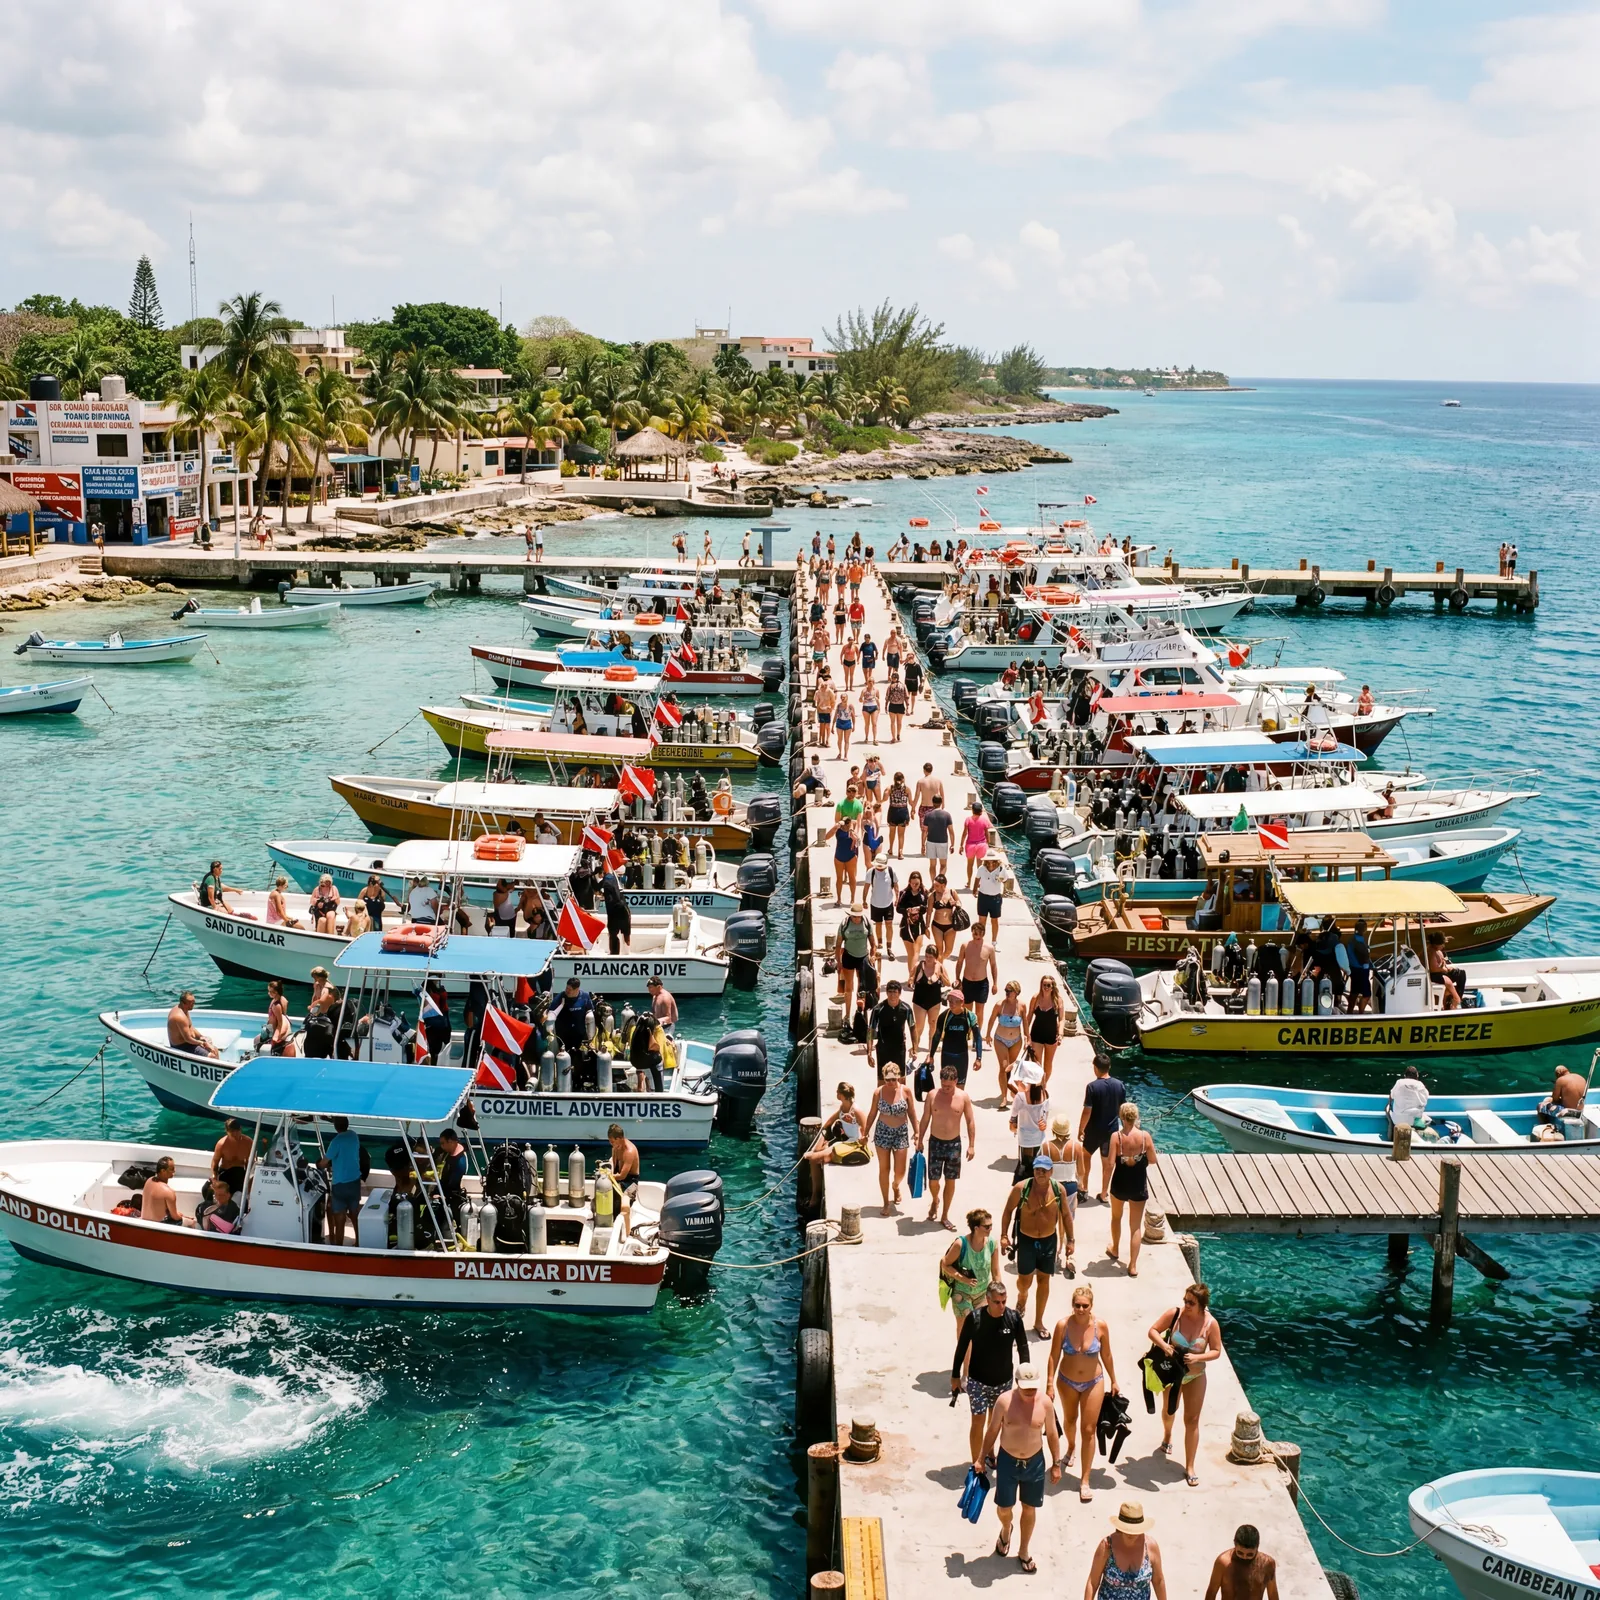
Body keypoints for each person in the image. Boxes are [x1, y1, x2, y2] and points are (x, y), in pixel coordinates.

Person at [979, 1363, 1062, 1575]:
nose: (1030, 1391)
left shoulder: (1045, 1404)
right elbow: (992, 1431)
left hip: (1034, 1463)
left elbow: (1052, 1434)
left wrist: (1056, 1464)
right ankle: (1006, 1529)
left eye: (1033, 1386)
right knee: (1004, 1508)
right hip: (1008, 1461)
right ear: (1017, 1383)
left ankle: (1024, 1550)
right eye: (1026, 1387)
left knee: (1029, 1508)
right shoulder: (1004, 1402)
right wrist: (981, 1458)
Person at [1048, 1283, 1118, 1502]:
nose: (1080, 1309)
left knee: (1088, 1429)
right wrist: (1049, 1383)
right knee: (1070, 1420)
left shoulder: (1101, 1327)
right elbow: (1053, 1356)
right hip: (1066, 1381)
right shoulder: (1063, 1326)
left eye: (1084, 1306)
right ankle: (1070, 1446)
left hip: (1093, 1382)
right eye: (1077, 1305)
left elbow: (1106, 1355)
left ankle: (1085, 1479)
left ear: (1091, 1306)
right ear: (1072, 1305)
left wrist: (1114, 1380)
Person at [1149, 1283, 1222, 1486]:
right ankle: (1167, 1434)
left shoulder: (1211, 1324)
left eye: (1191, 1302)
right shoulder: (1175, 1314)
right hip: (1173, 1374)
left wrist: (1199, 1357)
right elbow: (1153, 1330)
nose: (1186, 1305)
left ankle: (1190, 1465)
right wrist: (1164, 1345)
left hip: (1195, 1376)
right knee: (1169, 1411)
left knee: (1192, 1419)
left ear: (1202, 1305)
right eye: (1185, 1300)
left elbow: (1216, 1351)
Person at [952, 1278, 1029, 1467]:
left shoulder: (1013, 1318)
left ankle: (991, 1453)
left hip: (1003, 1382)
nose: (1001, 1306)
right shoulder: (975, 1319)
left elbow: (1023, 1347)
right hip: (978, 1381)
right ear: (987, 1300)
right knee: (978, 1421)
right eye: (997, 1302)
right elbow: (962, 1347)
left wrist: (1026, 1377)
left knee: (996, 1422)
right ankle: (976, 1461)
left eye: (1004, 1301)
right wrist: (955, 1375)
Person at [1002, 1150, 1074, 1339]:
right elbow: (1008, 1211)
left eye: (1044, 1170)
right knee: (1024, 1282)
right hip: (1026, 1240)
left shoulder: (1059, 1190)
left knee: (1044, 1280)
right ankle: (1022, 1296)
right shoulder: (1021, 1188)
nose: (1040, 1173)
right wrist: (1003, 1236)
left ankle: (1038, 1321)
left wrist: (1071, 1241)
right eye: (1037, 1170)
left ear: (1051, 1172)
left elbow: (1066, 1215)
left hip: (1049, 1241)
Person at [916, 1062, 976, 1228]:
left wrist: (971, 1145)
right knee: (933, 1181)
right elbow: (925, 1118)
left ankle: (944, 1215)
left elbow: (970, 1121)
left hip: (954, 1144)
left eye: (949, 1086)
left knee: (951, 1180)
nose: (946, 1088)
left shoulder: (963, 1097)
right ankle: (935, 1200)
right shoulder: (933, 1095)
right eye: (943, 1085)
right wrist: (920, 1139)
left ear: (956, 1081)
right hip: (935, 1142)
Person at [1107, 1103, 1157, 1276]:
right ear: (1136, 1117)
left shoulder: (1116, 1137)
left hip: (1120, 1182)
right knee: (1135, 1227)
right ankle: (1133, 1265)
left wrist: (1125, 1158)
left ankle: (1114, 1249)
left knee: (1116, 1217)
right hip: (1138, 1184)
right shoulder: (1145, 1137)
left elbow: (1111, 1162)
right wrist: (1136, 1158)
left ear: (1122, 1117)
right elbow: (1152, 1160)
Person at [860, 1062, 914, 1214]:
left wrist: (917, 1133)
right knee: (884, 1169)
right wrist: (866, 1132)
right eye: (887, 1079)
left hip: (901, 1132)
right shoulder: (879, 1093)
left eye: (893, 1079)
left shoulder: (906, 1091)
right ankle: (885, 1202)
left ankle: (895, 1186)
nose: (890, 1083)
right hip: (883, 1132)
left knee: (900, 1170)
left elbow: (912, 1113)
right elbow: (872, 1113)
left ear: (899, 1077)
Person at [1086, 1503, 1168, 1600]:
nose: (1131, 1533)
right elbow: (1093, 1582)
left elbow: (1158, 1581)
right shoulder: (1107, 1546)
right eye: (1127, 1529)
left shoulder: (1151, 1546)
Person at [1079, 1054, 1127, 1203]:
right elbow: (1122, 1109)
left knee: (1085, 1156)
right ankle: (1104, 1193)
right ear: (1109, 1067)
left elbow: (1087, 1111)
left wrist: (1081, 1129)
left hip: (1093, 1130)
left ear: (1095, 1068)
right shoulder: (1120, 1085)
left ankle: (1084, 1189)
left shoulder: (1092, 1087)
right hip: (1111, 1132)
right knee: (1107, 1163)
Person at [319, 1114, 363, 1245]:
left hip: (340, 1184)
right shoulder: (354, 1136)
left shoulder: (335, 1142)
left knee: (340, 1218)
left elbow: (324, 1163)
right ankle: (359, 1242)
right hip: (354, 1181)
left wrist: (318, 1164)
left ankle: (339, 1247)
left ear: (335, 1126)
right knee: (354, 1214)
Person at [1205, 1525, 1279, 1600]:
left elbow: (1273, 1594)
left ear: (1257, 1547)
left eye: (1250, 1555)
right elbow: (1212, 1592)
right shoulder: (1223, 1562)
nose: (1244, 1557)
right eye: (1240, 1553)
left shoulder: (1267, 1564)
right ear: (1235, 1545)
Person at [927, 986, 980, 1088]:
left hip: (962, 1056)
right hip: (947, 1055)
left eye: (955, 1001)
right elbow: (937, 1036)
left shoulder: (969, 1016)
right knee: (946, 1086)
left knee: (960, 1088)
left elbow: (977, 1037)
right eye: (950, 1001)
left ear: (962, 1002)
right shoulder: (944, 1016)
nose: (952, 1003)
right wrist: (931, 1055)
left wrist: (978, 1058)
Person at [986, 980, 1027, 1106]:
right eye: (1006, 990)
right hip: (1000, 1040)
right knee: (1004, 1067)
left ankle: (1008, 1089)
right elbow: (992, 1020)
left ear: (1016, 992)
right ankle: (1004, 1097)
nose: (1007, 993)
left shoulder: (1021, 1006)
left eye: (1010, 991)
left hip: (1016, 1041)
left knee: (1010, 1068)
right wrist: (988, 1035)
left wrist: (1027, 1038)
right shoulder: (1000, 1005)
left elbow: (1025, 1022)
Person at [1009, 1061, 1050, 1179]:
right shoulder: (1045, 1095)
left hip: (1025, 1141)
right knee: (1037, 1170)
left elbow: (1012, 1124)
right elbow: (1044, 1119)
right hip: (1039, 1139)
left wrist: (1014, 1126)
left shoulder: (1020, 1098)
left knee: (1023, 1171)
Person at [867, 978, 913, 1080]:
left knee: (900, 1079)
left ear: (899, 993)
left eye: (895, 992)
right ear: (886, 993)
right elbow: (871, 1030)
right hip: (883, 1048)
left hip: (899, 1048)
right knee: (882, 1079)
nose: (892, 995)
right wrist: (869, 1052)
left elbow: (913, 1028)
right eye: (890, 992)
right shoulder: (878, 1009)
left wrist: (915, 1047)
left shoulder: (906, 1009)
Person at [956, 922, 998, 1032]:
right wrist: (957, 978)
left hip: (981, 983)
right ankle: (968, 1032)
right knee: (967, 1010)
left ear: (983, 934)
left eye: (980, 934)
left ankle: (977, 1034)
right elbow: (960, 962)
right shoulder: (965, 946)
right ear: (972, 933)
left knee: (979, 1011)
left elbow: (993, 965)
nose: (977, 937)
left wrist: (995, 983)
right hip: (967, 982)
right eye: (975, 934)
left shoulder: (989, 948)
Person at [1024, 972, 1064, 1086]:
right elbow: (1029, 1016)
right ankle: (1037, 1085)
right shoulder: (1035, 998)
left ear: (1052, 987)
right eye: (1044, 985)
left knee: (1048, 1063)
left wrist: (1060, 1034)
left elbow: (1062, 1019)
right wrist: (1027, 1035)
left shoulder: (1058, 1000)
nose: (1046, 987)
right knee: (1036, 1063)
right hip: (1036, 1033)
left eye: (1048, 985)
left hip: (1051, 1034)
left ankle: (1043, 1085)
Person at [909, 944, 949, 1053]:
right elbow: (911, 978)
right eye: (926, 956)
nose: (928, 959)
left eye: (930, 957)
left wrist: (940, 975)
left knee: (933, 1025)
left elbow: (948, 983)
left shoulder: (940, 967)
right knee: (919, 1026)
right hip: (919, 1001)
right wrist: (911, 981)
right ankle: (915, 1047)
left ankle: (931, 1047)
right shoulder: (919, 966)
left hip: (934, 1001)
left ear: (935, 957)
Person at [834, 907, 872, 1020]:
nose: (856, 918)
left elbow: (872, 942)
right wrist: (838, 961)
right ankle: (847, 1014)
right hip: (848, 956)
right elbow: (838, 944)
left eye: (858, 916)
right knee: (848, 987)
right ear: (850, 915)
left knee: (861, 987)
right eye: (854, 916)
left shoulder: (866, 922)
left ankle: (860, 1012)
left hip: (863, 957)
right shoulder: (844, 923)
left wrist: (873, 955)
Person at [824, 807, 862, 910]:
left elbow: (858, 841)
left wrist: (853, 834)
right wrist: (835, 827)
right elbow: (826, 837)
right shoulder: (838, 829)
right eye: (845, 822)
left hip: (850, 856)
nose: (847, 824)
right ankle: (839, 899)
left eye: (848, 822)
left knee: (852, 877)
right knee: (839, 878)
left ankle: (852, 899)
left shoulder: (852, 828)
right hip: (839, 856)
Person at [548, 977, 596, 1057]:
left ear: (577, 989)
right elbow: (551, 1012)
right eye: (567, 988)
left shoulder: (585, 996)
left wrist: (590, 1038)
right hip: (563, 1035)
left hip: (579, 1035)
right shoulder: (561, 997)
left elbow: (590, 1011)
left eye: (570, 989)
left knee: (578, 1058)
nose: (567, 991)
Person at [863, 850, 898, 956]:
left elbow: (896, 885)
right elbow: (866, 887)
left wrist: (897, 898)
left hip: (888, 903)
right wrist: (864, 900)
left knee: (889, 924)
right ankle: (880, 941)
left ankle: (889, 945)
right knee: (878, 924)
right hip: (875, 903)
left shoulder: (891, 871)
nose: (879, 868)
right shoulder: (871, 872)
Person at [168, 992, 219, 1058]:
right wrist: (202, 1043)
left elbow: (190, 1026)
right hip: (182, 1046)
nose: (193, 1005)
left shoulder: (185, 1009)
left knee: (215, 1049)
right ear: (183, 1003)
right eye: (190, 1003)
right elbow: (187, 1039)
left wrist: (201, 1037)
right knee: (212, 1056)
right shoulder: (179, 1017)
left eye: (193, 1002)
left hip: (189, 1042)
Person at [141, 1156, 189, 1226]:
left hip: (143, 1222)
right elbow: (175, 1217)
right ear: (163, 1171)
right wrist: (182, 1216)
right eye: (172, 1169)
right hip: (159, 1226)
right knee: (191, 1222)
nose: (174, 1171)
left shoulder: (148, 1180)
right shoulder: (168, 1192)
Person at [212, 1118, 253, 1195]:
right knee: (210, 1190)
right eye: (232, 1132)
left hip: (240, 1173)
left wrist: (248, 1178)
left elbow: (250, 1162)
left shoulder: (248, 1142)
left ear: (240, 1129)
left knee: (242, 1193)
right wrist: (214, 1176)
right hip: (225, 1172)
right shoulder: (222, 1144)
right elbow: (215, 1161)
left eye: (237, 1131)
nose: (235, 1135)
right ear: (227, 1131)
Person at [973, 847, 1006, 940]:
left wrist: (1001, 879)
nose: (991, 862)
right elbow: (977, 878)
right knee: (981, 920)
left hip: (996, 898)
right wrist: (974, 889)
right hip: (983, 896)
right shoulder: (981, 868)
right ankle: (980, 939)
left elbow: (1005, 879)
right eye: (989, 860)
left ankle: (994, 941)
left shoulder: (1001, 869)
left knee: (994, 920)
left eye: (993, 860)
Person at [961, 799, 993, 891]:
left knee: (969, 865)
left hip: (970, 845)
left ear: (972, 810)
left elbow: (964, 833)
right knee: (980, 866)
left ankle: (969, 882)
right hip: (982, 845)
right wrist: (989, 844)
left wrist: (961, 845)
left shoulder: (968, 820)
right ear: (981, 811)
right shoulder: (984, 820)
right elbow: (987, 833)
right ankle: (979, 882)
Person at [1387, 1064, 1429, 1135]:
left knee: (1387, 1108)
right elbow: (1425, 1100)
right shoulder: (1421, 1085)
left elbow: (1391, 1096)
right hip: (1414, 1121)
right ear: (1417, 1076)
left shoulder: (1399, 1082)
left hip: (1398, 1121)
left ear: (1405, 1076)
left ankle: (1391, 1130)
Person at [601, 860, 632, 954]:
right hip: (624, 909)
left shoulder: (607, 882)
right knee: (626, 934)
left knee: (613, 934)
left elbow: (610, 900)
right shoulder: (613, 879)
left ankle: (614, 954)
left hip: (615, 912)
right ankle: (627, 953)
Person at [928, 872, 960, 961]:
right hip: (937, 925)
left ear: (943, 885)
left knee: (949, 950)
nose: (934, 887)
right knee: (939, 949)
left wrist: (955, 903)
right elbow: (929, 912)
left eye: (937, 885)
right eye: (934, 885)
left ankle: (938, 962)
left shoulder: (952, 892)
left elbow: (960, 903)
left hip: (950, 927)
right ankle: (939, 968)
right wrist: (926, 926)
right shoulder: (932, 895)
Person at [435, 1128, 468, 1211]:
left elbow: (452, 1184)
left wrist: (438, 1195)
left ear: (450, 1142)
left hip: (450, 1197)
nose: (441, 1146)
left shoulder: (460, 1162)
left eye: (443, 1143)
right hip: (439, 1188)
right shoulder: (445, 1152)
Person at [922, 789, 953, 871]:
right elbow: (951, 831)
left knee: (932, 865)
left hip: (931, 841)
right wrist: (952, 844)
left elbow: (925, 831)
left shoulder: (928, 815)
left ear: (932, 802)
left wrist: (922, 844)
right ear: (941, 802)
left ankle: (933, 882)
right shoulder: (947, 815)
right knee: (943, 865)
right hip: (943, 842)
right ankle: (939, 881)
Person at [885, 770, 912, 858]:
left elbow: (884, 798)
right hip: (903, 811)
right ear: (903, 779)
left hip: (893, 811)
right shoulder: (906, 789)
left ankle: (891, 849)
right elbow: (911, 802)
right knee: (901, 834)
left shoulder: (890, 788)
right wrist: (914, 809)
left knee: (891, 832)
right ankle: (900, 851)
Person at [1347, 916, 1372, 1012]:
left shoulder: (1352, 939)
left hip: (1353, 969)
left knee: (1354, 992)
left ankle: (1349, 1012)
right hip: (1361, 970)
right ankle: (1360, 1014)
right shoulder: (1360, 941)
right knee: (1366, 995)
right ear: (1365, 929)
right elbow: (1364, 959)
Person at [264, 979, 294, 1055]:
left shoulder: (276, 1006)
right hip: (275, 1026)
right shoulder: (283, 999)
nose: (268, 993)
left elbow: (280, 1023)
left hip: (274, 1029)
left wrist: (275, 1037)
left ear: (276, 992)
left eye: (270, 991)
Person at [884, 673, 908, 743]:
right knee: (899, 722)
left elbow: (887, 697)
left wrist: (886, 706)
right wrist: (907, 706)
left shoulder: (890, 686)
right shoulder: (903, 686)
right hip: (900, 705)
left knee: (892, 722)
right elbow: (906, 696)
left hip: (892, 705)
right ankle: (898, 734)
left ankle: (893, 737)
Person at [833, 691, 856, 760]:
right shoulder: (839, 706)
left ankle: (846, 755)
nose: (843, 699)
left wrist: (854, 725)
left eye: (844, 697)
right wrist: (832, 725)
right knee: (839, 740)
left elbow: (853, 716)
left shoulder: (850, 706)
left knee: (846, 740)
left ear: (847, 698)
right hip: (840, 722)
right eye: (842, 697)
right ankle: (840, 753)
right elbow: (835, 715)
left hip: (847, 723)